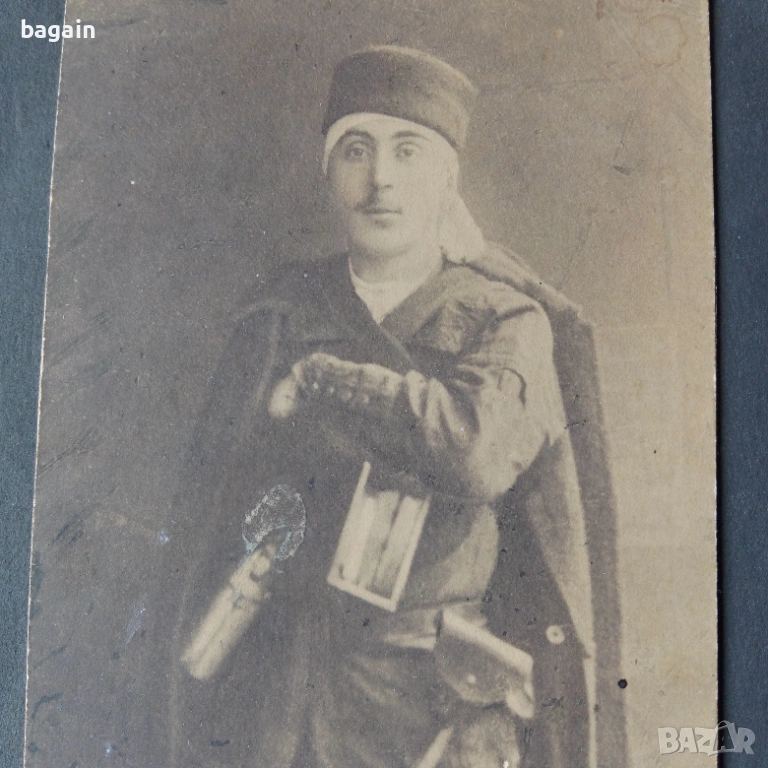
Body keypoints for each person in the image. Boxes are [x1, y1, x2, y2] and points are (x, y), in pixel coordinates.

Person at [169, 46, 621, 768]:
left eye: (408, 151)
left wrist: (327, 382)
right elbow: (214, 514)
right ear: (328, 171)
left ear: (449, 179)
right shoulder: (279, 315)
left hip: (434, 713)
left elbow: (473, 453)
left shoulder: (503, 321)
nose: (381, 178)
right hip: (281, 706)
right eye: (356, 150)